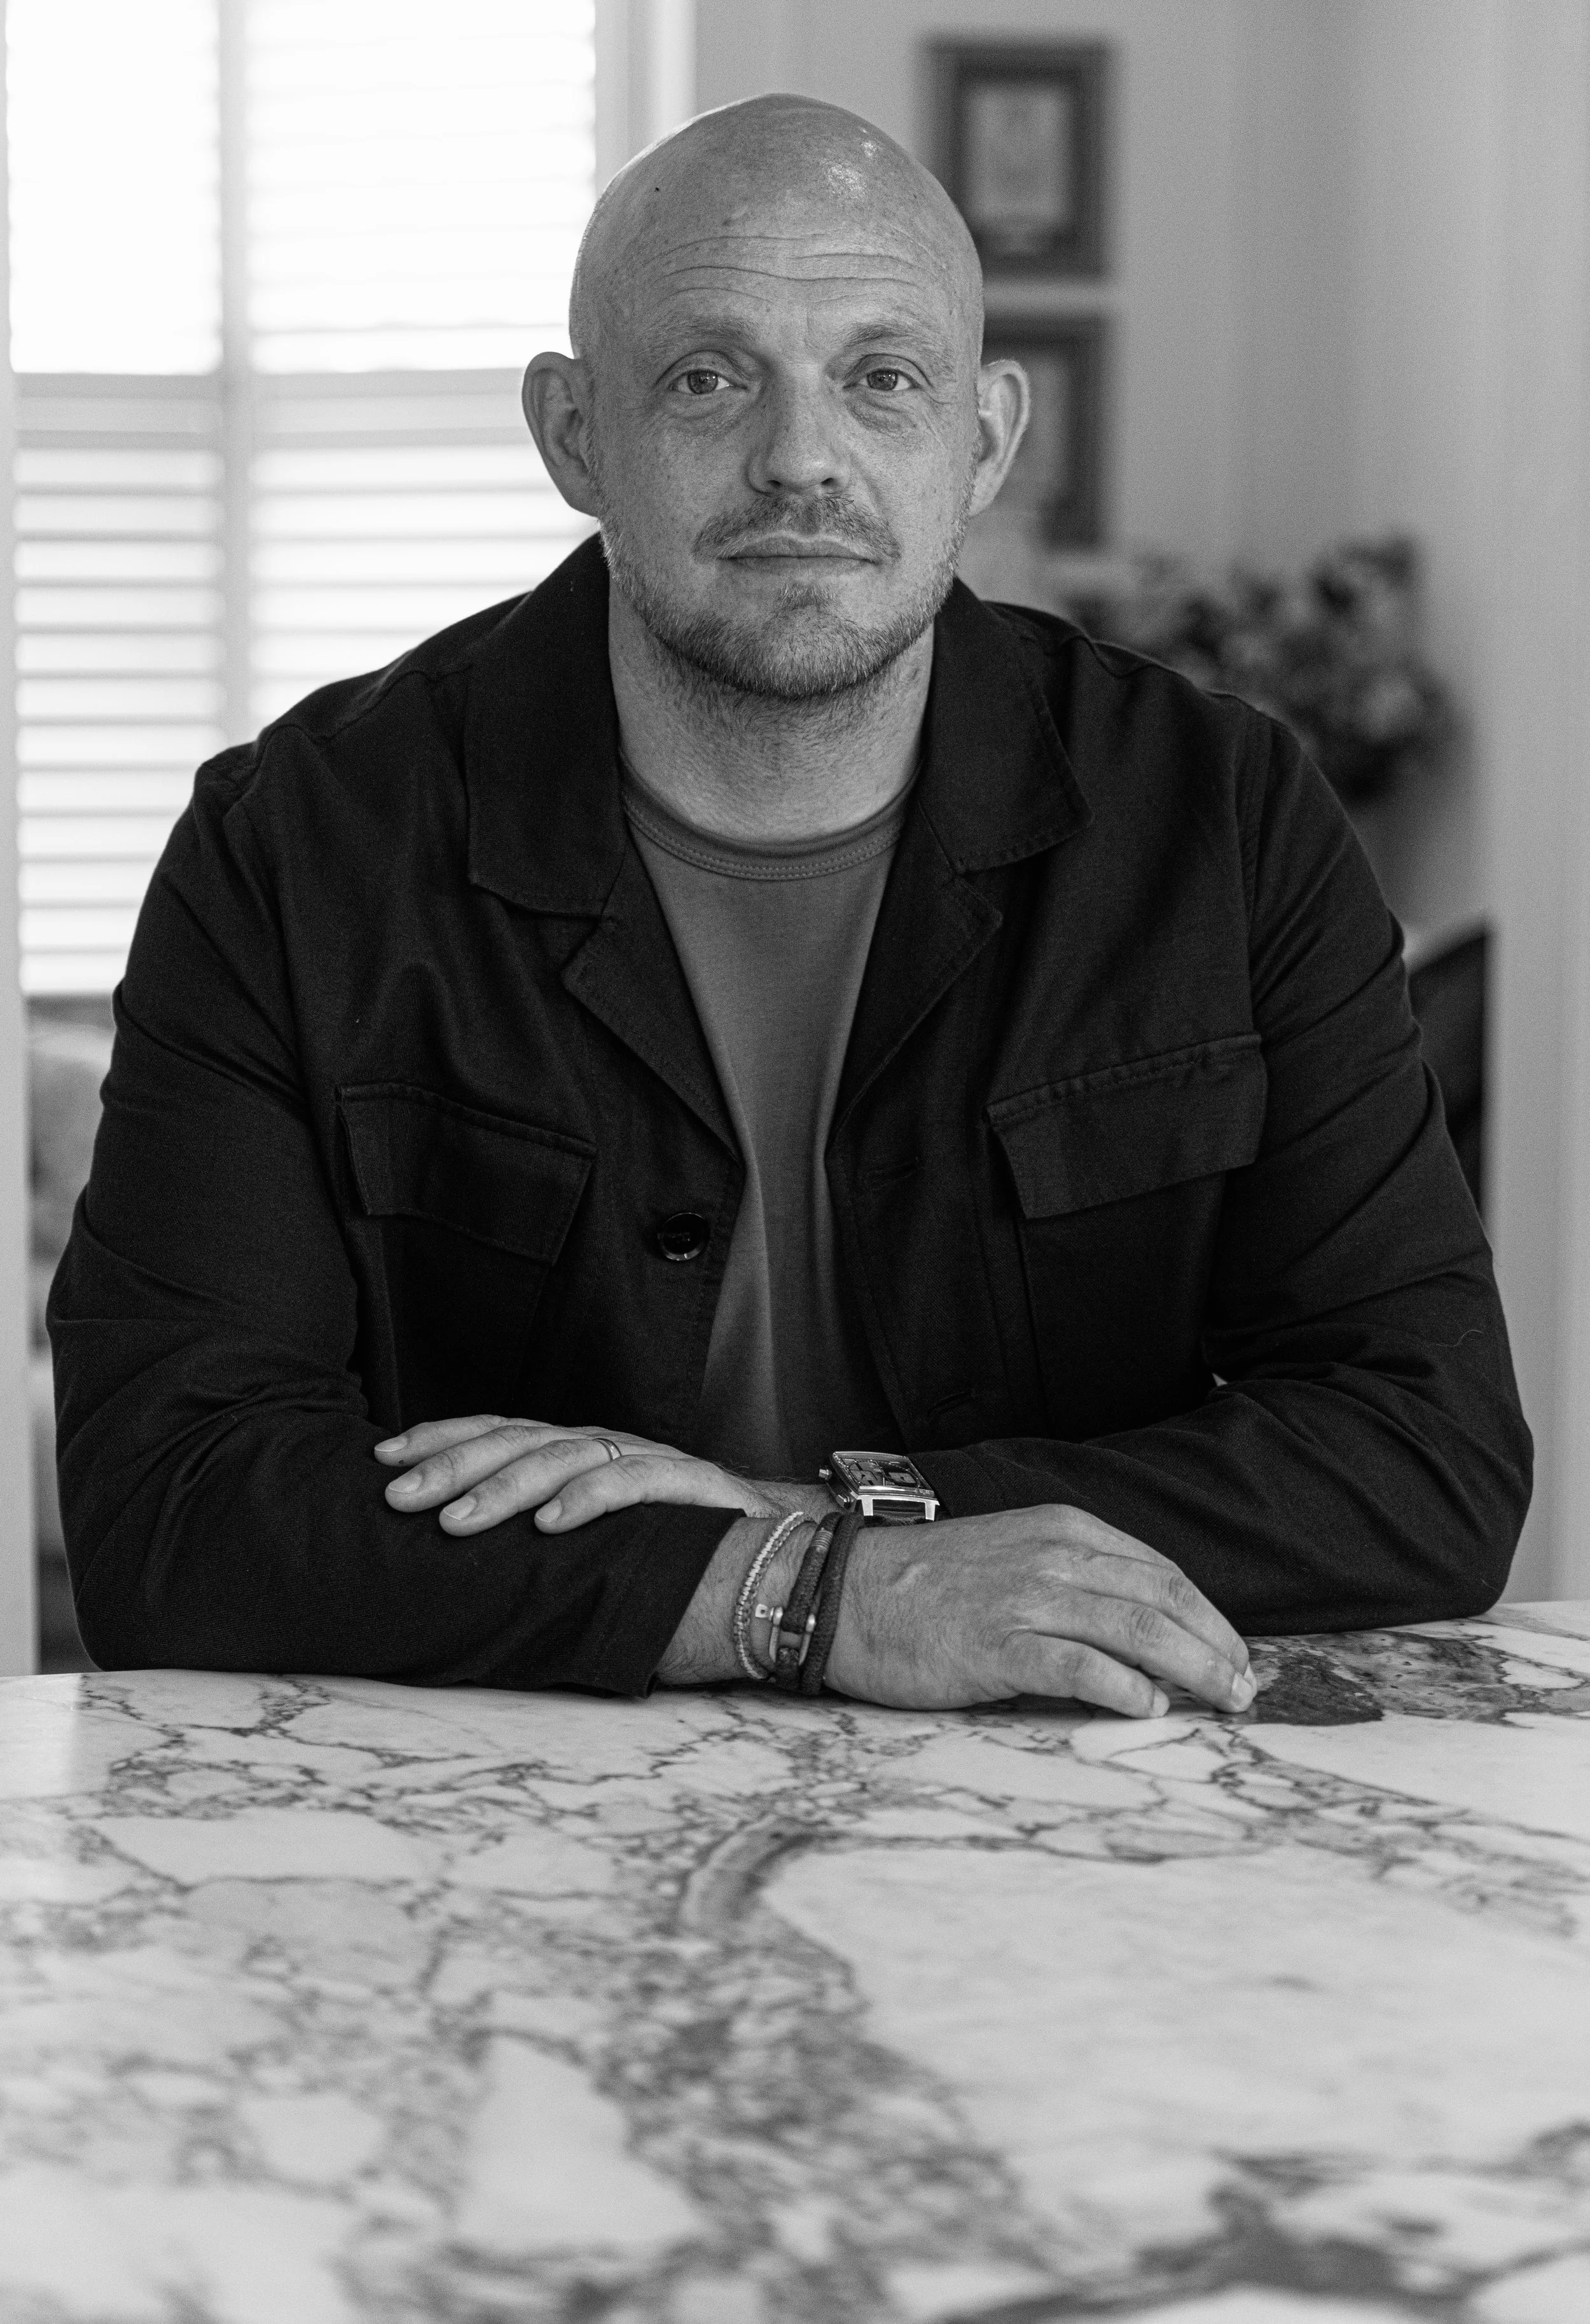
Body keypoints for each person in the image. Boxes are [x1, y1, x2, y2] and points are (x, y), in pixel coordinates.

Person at [51, 96, 1530, 1718]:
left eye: (881, 378)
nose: (800, 459)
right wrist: (791, 1597)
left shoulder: (1223, 821)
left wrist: (822, 1527)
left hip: (1076, 1795)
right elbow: (169, 1507)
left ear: (982, 443)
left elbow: (1423, 1455)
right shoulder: (295, 848)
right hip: (503, 1806)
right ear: (573, 436)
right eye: (707, 375)